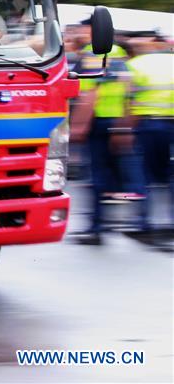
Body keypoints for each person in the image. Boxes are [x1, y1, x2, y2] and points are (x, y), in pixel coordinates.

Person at [69, 39, 147, 244]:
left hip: (98, 122)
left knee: (97, 174)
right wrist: (126, 127)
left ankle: (96, 227)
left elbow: (89, 94)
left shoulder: (92, 53)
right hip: (119, 122)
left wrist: (78, 126)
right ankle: (135, 221)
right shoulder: (121, 55)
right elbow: (131, 94)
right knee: (117, 173)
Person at [126, 33, 174, 233]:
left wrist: (125, 129)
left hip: (147, 125)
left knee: (143, 174)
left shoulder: (137, 64)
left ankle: (143, 222)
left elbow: (129, 99)